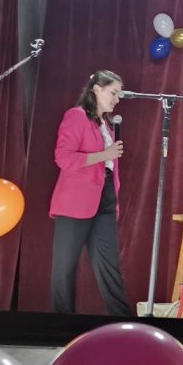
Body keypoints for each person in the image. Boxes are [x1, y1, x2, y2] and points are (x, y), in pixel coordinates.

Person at [48, 70, 131, 316]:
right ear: (96, 89)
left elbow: (110, 167)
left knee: (110, 268)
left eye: (119, 94)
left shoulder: (107, 125)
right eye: (113, 92)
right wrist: (105, 155)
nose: (117, 99)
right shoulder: (76, 116)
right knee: (65, 269)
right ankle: (63, 326)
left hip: (105, 198)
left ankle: (123, 324)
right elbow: (63, 158)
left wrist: (113, 197)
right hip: (75, 201)